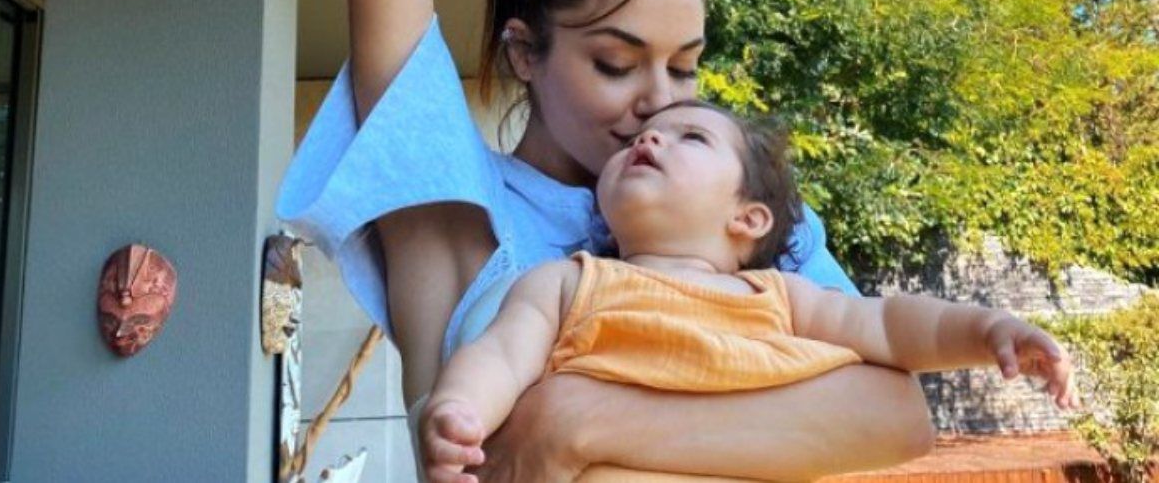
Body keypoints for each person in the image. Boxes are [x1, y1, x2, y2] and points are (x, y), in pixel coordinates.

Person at [276, 0, 936, 480]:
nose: (660, 101)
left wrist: (577, 419)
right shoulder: (455, 206)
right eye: (616, 65)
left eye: (685, 67)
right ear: (524, 51)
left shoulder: (739, 216)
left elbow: (898, 414)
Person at [419, 101, 1077, 483]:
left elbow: (891, 325)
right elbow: (502, 355)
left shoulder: (781, 296)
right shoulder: (569, 281)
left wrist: (988, 330)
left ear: (748, 217)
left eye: (691, 137)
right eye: (640, 137)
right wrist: (459, 409)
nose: (650, 136)